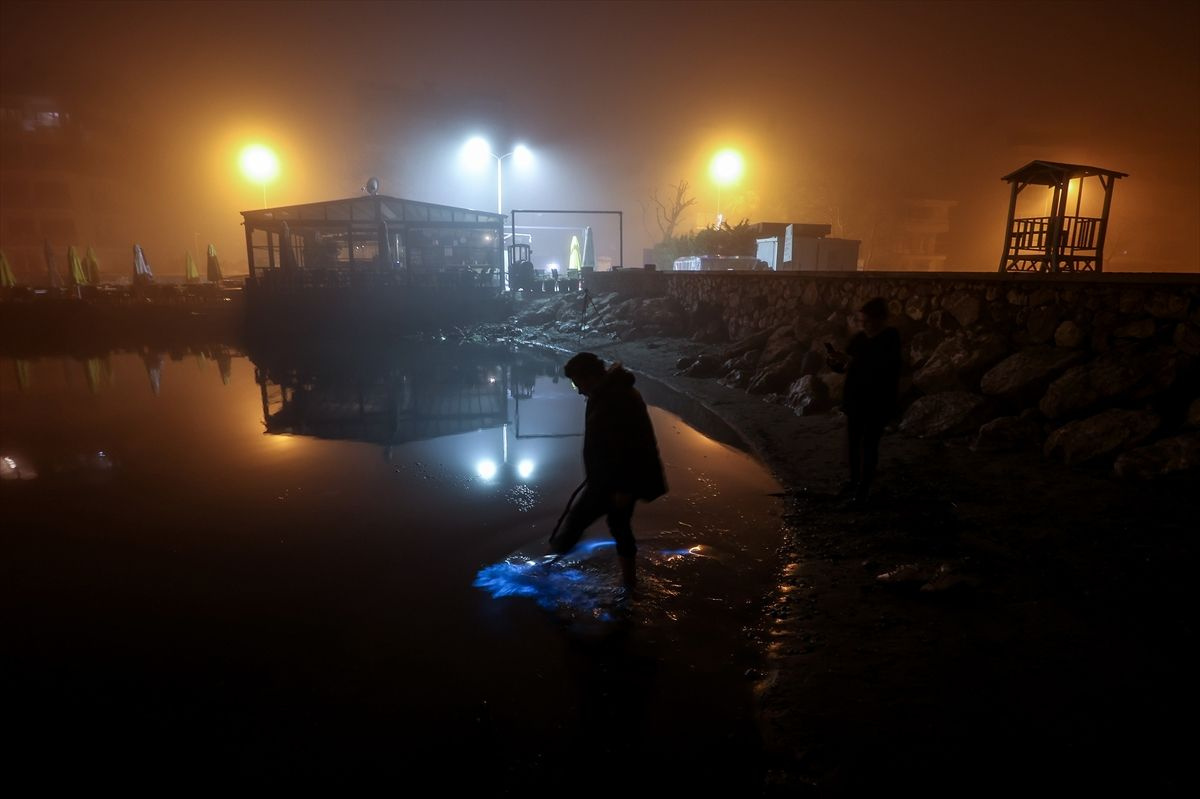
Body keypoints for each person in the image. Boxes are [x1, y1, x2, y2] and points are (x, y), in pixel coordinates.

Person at [551, 352, 667, 587]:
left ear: (590, 377)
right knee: (619, 526)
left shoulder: (619, 399)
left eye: (576, 383)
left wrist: (624, 489)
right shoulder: (604, 393)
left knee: (576, 522)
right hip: (608, 478)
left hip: (616, 482)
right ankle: (629, 583)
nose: (578, 390)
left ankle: (547, 575)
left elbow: (633, 447)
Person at [826, 297, 902, 504]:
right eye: (861, 321)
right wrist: (835, 362)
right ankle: (853, 481)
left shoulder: (890, 338)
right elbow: (845, 366)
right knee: (853, 443)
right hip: (855, 401)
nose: (863, 324)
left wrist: (853, 362)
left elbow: (886, 367)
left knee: (868, 445)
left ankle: (864, 487)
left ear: (880, 319)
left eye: (867, 321)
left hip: (877, 402)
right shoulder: (859, 339)